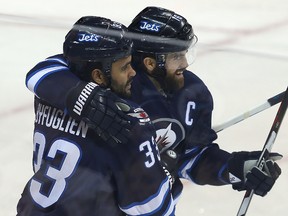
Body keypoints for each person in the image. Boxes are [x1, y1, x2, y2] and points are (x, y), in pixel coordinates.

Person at [24, 6, 281, 208]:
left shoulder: (193, 93)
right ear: (150, 62)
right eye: (177, 56)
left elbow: (191, 157)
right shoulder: (113, 86)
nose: (185, 64)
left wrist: (235, 169)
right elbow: (43, 71)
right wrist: (85, 97)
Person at [17, 16, 176, 216]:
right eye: (125, 66)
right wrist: (167, 175)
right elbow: (154, 209)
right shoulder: (129, 124)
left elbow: (45, 69)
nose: (133, 73)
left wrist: (81, 96)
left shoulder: (49, 97)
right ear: (99, 76)